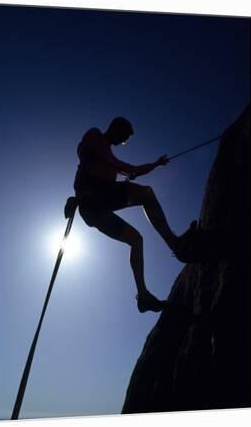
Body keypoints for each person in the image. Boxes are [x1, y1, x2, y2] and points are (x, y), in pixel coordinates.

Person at [73, 116, 197, 313]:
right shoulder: (95, 135)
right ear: (116, 129)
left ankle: (143, 296)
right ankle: (176, 245)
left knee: (136, 239)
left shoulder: (110, 157)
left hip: (97, 206)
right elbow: (84, 153)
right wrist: (80, 194)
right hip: (93, 197)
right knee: (145, 194)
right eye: (123, 138)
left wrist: (155, 165)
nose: (122, 142)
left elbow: (131, 169)